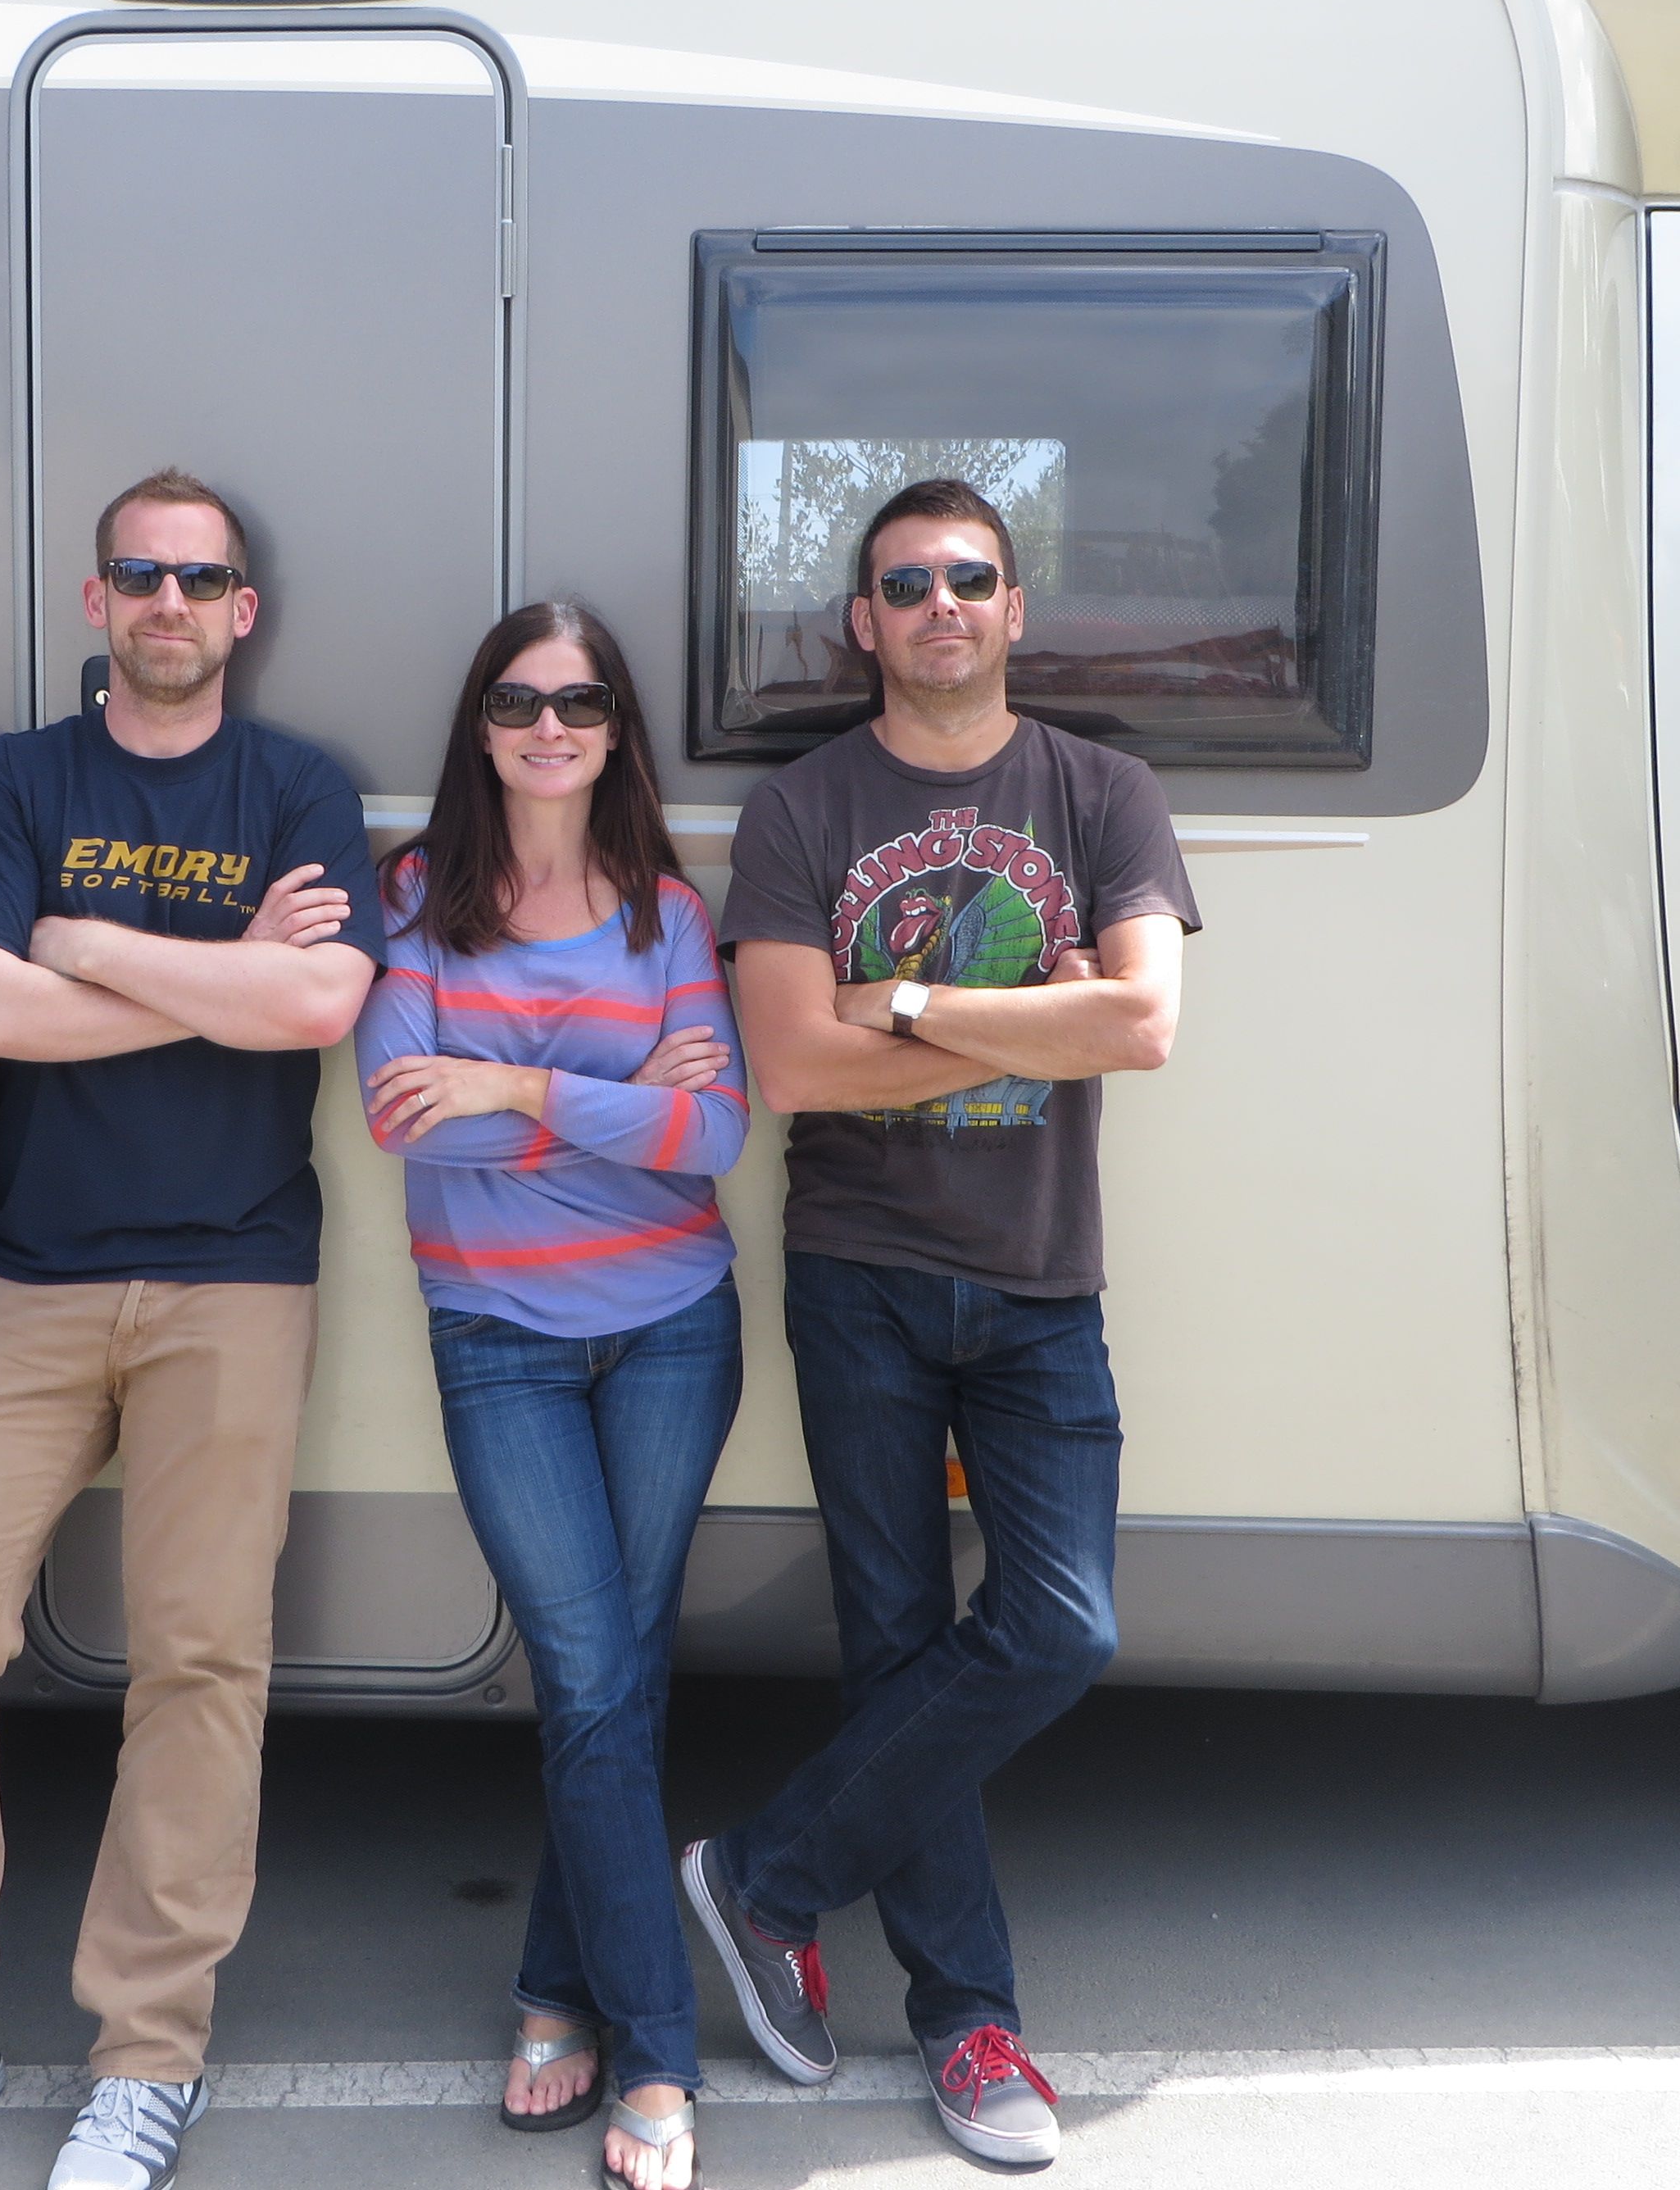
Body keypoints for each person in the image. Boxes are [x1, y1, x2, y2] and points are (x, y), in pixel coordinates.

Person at [0, 469, 380, 2190]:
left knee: (198, 1659)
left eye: (200, 578)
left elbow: (320, 1004)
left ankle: (145, 2056)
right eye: (140, 573)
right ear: (96, 599)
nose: (170, 601)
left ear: (242, 610)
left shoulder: (298, 786)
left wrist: (89, 942)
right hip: (31, 1280)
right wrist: (218, 971)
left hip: (235, 1279)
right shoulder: (22, 784)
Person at [677, 477, 1196, 2170]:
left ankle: (763, 1876)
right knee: (896, 1649)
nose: (939, 605)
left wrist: (898, 1000)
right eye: (904, 585)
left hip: (1042, 1283)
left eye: (969, 577)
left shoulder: (1100, 792)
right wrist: (1034, 1017)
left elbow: (1140, 1026)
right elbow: (789, 1066)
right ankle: (970, 2024)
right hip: (862, 1276)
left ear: (1014, 608)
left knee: (1059, 1629)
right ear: (863, 623)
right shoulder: (803, 808)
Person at [355, 599, 747, 2190]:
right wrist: (613, 1101)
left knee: (616, 1684)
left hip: (674, 1332)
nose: (548, 727)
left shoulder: (668, 912)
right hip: (499, 1337)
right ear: (481, 724)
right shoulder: (414, 901)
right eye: (518, 701)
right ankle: (657, 2057)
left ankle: (551, 1991)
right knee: (592, 1681)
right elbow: (405, 1124)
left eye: (578, 702)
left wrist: (513, 1085)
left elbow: (714, 1138)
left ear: (614, 729)